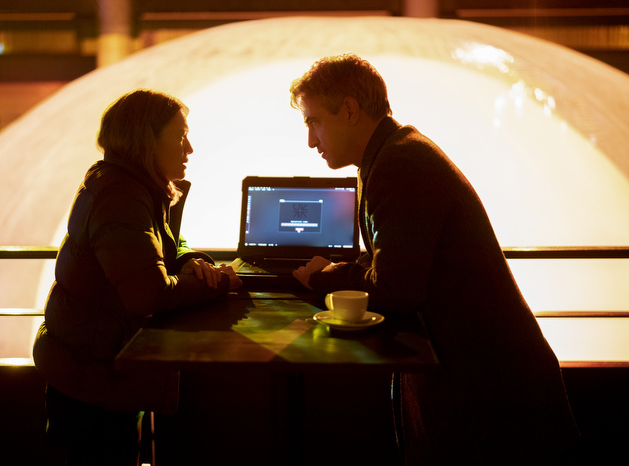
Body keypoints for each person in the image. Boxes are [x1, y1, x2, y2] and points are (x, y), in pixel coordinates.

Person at [290, 54, 579, 464]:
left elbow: (396, 288)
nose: (310, 140)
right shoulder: (396, 152)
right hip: (485, 378)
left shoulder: (398, 165)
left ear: (350, 110)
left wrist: (326, 276)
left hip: (489, 392)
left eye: (313, 121)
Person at [32, 89, 242, 465]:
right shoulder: (121, 197)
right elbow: (148, 294)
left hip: (95, 366)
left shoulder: (131, 184)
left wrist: (189, 259)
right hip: (94, 377)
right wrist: (219, 282)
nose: (190, 148)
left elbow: (160, 241)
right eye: (180, 136)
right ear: (147, 141)